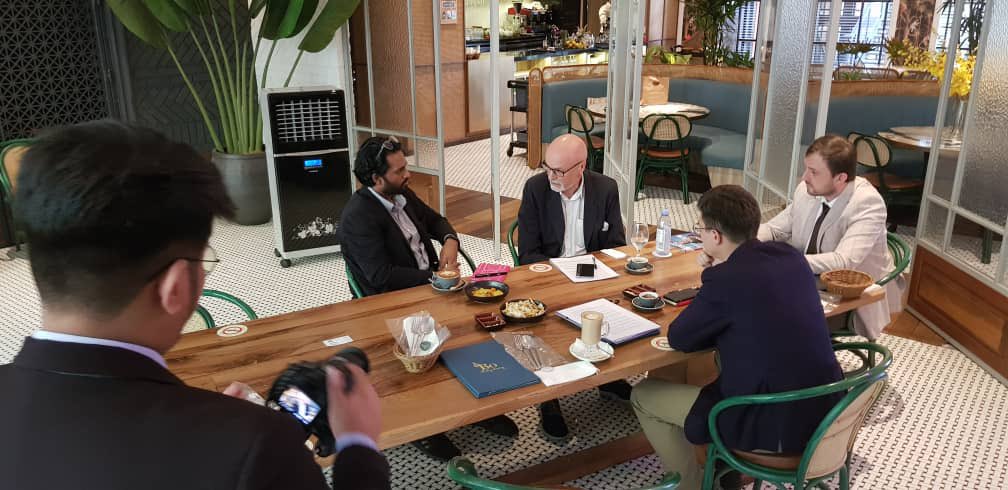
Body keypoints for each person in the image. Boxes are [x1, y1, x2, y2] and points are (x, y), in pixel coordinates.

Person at [0, 121, 389, 489]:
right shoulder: (257, 448)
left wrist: (215, 421)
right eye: (203, 262)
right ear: (175, 287)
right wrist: (358, 445)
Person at [632, 185, 843, 490]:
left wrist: (715, 275)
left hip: (772, 424)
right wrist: (721, 267)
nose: (700, 236)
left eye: (700, 230)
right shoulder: (791, 257)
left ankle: (690, 485)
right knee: (716, 368)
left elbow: (679, 338)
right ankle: (720, 473)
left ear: (715, 236)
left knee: (644, 395)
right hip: (828, 416)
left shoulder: (726, 280)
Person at [339, 136, 519, 460]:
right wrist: (435, 279)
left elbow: (435, 220)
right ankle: (426, 429)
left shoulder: (399, 193)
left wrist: (449, 240)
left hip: (429, 286)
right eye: (399, 171)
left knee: (471, 333)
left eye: (405, 167)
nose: (407, 174)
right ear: (376, 179)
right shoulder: (358, 217)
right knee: (425, 359)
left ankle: (476, 405)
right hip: (392, 300)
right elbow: (380, 276)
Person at [517, 133, 631, 439]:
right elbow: (527, 252)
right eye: (548, 168)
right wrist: (562, 275)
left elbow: (616, 244)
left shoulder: (605, 188)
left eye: (559, 171)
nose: (551, 176)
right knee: (547, 326)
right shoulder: (536, 188)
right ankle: (550, 399)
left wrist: (591, 273)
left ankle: (607, 378)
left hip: (592, 274)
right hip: (549, 274)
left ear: (581, 166)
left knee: (617, 308)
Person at [756, 134, 905, 339]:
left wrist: (785, 263)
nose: (804, 178)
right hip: (808, 280)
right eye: (806, 168)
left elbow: (843, 262)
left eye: (814, 172)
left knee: (768, 316)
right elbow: (774, 229)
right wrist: (742, 240)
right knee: (749, 298)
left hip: (851, 298)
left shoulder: (867, 204)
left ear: (840, 178)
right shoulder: (807, 190)